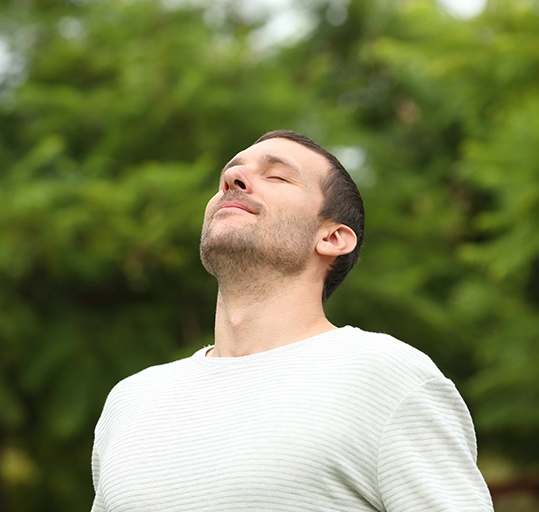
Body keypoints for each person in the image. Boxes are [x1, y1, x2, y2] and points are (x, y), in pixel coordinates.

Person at [90, 130, 493, 511]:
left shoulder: (386, 377)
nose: (233, 178)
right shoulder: (131, 402)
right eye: (230, 173)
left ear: (332, 238)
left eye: (277, 176)